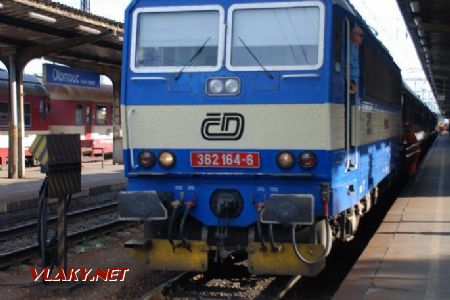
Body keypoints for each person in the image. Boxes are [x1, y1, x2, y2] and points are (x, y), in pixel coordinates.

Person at [349, 25, 364, 95]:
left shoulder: (355, 47)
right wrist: (350, 82)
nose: (362, 38)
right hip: (352, 82)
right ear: (354, 35)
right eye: (360, 35)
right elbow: (348, 64)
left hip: (354, 80)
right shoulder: (351, 47)